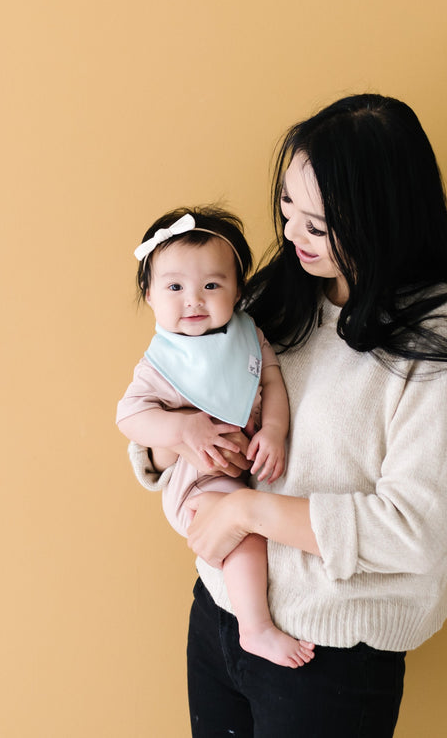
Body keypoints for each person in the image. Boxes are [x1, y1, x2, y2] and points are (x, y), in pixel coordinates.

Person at [126, 94, 447, 737]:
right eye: (286, 208)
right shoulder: (279, 293)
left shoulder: (442, 334)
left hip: (327, 662)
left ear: (380, 218)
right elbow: (173, 400)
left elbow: (416, 531)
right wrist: (173, 444)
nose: (292, 237)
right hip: (219, 617)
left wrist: (245, 511)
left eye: (318, 224)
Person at [117, 206, 315, 668]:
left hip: (247, 472)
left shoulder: (248, 336)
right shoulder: (163, 363)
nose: (194, 300)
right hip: (200, 483)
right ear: (150, 295)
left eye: (212, 285)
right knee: (244, 534)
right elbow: (130, 416)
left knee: (249, 520)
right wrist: (183, 427)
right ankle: (256, 628)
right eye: (174, 287)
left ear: (238, 289)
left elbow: (271, 382)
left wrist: (276, 429)